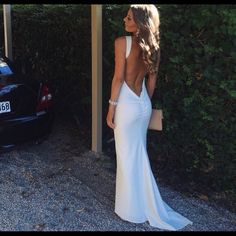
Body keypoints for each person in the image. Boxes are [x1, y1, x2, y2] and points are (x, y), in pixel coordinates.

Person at [106, 4, 192, 231]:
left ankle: (130, 210)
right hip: (142, 102)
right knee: (138, 154)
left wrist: (111, 108)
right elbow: (151, 81)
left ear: (140, 23)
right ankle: (143, 203)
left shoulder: (121, 43)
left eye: (129, 17)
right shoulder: (153, 46)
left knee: (126, 157)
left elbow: (118, 78)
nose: (125, 20)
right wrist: (144, 104)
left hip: (125, 103)